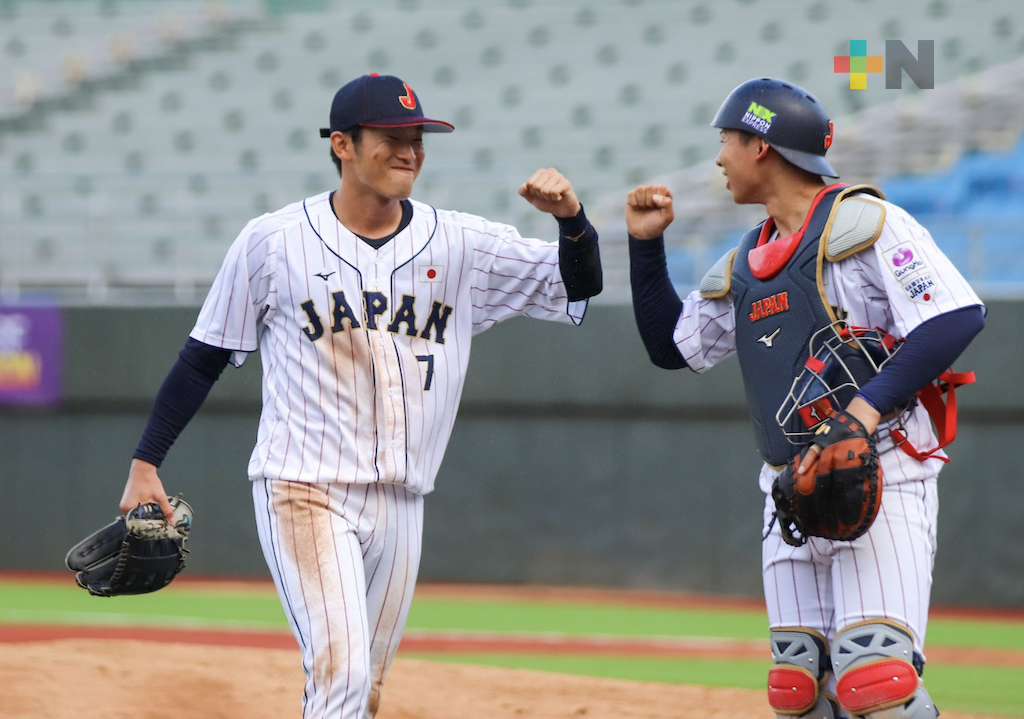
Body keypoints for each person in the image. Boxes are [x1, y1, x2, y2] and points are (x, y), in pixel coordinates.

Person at [118, 72, 602, 719]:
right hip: (303, 484)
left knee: (364, 688)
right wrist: (145, 461)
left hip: (404, 499)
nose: (410, 150)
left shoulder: (460, 243)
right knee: (342, 675)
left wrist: (572, 220)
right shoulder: (273, 241)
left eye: (418, 137)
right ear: (342, 144)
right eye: (392, 137)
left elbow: (578, 284)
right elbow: (203, 356)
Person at [625, 77, 984, 719]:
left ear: (761, 146)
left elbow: (954, 317)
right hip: (790, 492)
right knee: (800, 687)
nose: (719, 156)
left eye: (727, 140)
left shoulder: (866, 223)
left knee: (876, 681)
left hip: (884, 473)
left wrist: (864, 408)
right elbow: (672, 348)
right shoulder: (745, 262)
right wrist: (646, 245)